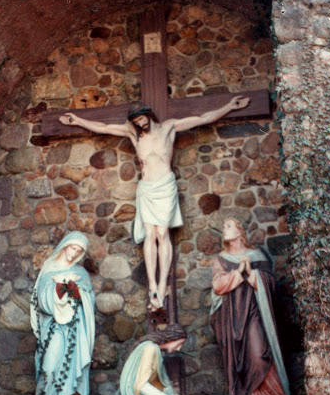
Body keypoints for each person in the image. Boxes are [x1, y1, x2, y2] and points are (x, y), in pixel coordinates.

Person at [59, 96, 249, 310]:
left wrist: (229, 106)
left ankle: (162, 283)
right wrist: (78, 120)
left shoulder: (169, 128)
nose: (140, 124)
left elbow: (202, 118)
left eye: (142, 119)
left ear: (149, 114)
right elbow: (103, 127)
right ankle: (152, 286)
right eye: (136, 121)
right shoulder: (133, 134)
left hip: (165, 187)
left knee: (162, 233)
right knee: (150, 234)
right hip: (147, 189)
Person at [210, 217, 291, 395]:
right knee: (240, 361)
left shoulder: (256, 255)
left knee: (259, 354)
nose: (224, 229)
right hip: (233, 317)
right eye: (224, 226)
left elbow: (271, 283)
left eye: (228, 225)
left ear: (240, 230)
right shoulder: (221, 259)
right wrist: (238, 272)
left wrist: (252, 273)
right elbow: (218, 285)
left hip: (255, 313)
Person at [30, 232, 95, 395]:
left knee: (72, 368)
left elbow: (89, 300)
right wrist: (57, 293)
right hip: (54, 329)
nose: (74, 253)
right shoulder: (49, 269)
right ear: (65, 246)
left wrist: (78, 292)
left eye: (79, 251)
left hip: (75, 330)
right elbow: (41, 300)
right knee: (49, 365)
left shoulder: (81, 273)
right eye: (72, 248)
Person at [113, 324, 190, 395]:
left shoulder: (155, 349)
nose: (179, 348)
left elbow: (157, 383)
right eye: (179, 343)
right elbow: (141, 386)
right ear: (172, 338)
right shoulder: (150, 349)